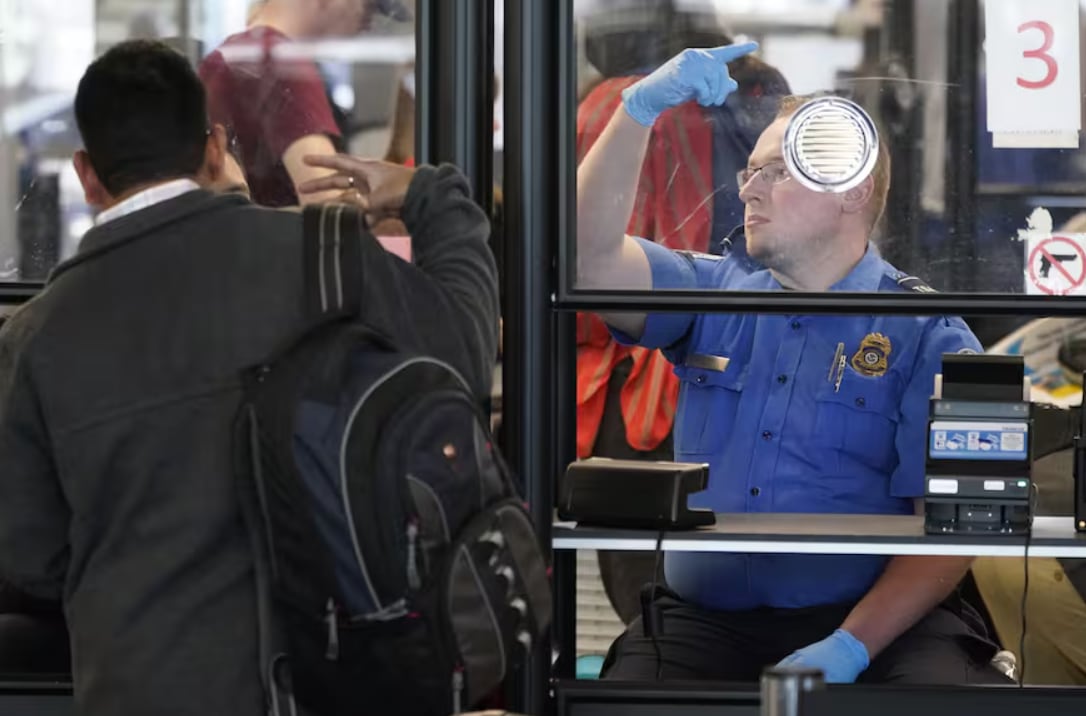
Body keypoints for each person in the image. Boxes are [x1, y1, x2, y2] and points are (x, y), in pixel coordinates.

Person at [0, 39, 497, 716]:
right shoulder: (325, 256)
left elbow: (31, 554)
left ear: (88, 175)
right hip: (335, 677)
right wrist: (432, 195)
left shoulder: (35, 337)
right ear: (213, 148)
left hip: (138, 687)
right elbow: (462, 359)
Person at [577, 42, 1008, 685]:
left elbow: (968, 523)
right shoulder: (705, 292)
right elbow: (585, 261)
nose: (749, 188)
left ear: (852, 189)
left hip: (874, 625)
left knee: (937, 699)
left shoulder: (935, 336)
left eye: (778, 171)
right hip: (702, 622)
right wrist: (636, 112)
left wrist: (853, 646)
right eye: (750, 171)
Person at [575, 0, 791, 624]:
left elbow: (578, 254)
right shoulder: (742, 92)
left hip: (624, 354)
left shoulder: (602, 103)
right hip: (728, 338)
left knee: (647, 588)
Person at [199, 0, 411, 207]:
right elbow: (330, 207)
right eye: (368, 6)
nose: (370, 22)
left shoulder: (225, 57)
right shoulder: (280, 61)